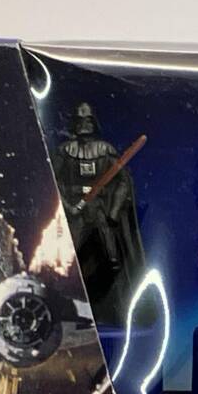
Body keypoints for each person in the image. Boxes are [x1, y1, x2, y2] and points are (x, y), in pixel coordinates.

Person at [53, 102, 145, 325]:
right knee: (71, 261)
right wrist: (67, 207)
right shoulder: (65, 151)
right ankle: (75, 311)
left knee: (112, 259)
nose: (84, 125)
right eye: (80, 120)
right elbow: (53, 182)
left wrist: (113, 211)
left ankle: (117, 310)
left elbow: (123, 182)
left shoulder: (105, 150)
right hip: (75, 213)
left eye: (88, 120)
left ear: (94, 123)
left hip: (100, 211)